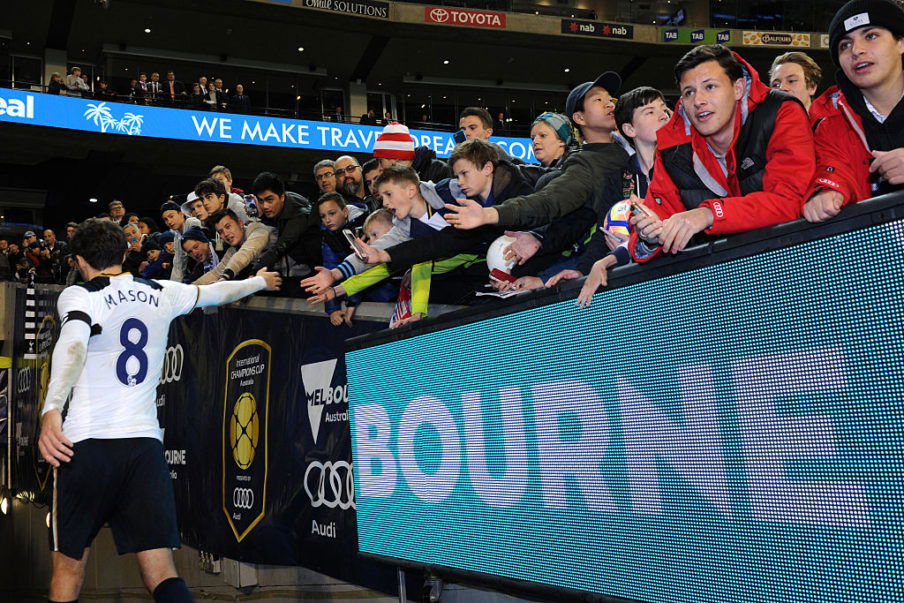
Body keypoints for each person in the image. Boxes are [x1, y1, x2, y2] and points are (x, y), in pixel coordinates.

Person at [37, 219, 281, 603]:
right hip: (143, 449)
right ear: (125, 253)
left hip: (85, 447)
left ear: (80, 260)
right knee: (162, 573)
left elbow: (73, 344)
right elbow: (217, 293)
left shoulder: (79, 295)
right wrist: (260, 282)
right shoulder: (162, 291)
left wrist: (51, 408)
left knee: (68, 570)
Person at [629, 44, 815, 262]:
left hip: (793, 261)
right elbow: (657, 217)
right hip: (722, 277)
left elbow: (792, 201)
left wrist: (710, 214)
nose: (698, 101)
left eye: (710, 87)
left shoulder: (780, 112)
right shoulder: (672, 143)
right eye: (689, 92)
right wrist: (648, 238)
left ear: (738, 88)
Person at [545, 87, 673, 300]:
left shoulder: (684, 165)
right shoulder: (620, 178)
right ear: (630, 129)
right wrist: (582, 271)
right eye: (650, 111)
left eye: (664, 109)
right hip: (640, 285)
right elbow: (602, 233)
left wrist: (627, 247)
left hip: (682, 270)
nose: (663, 115)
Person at [804, 0, 904, 223]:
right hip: (877, 252)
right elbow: (831, 167)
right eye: (845, 45)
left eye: (870, 36)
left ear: (900, 43)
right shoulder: (827, 118)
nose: (857, 50)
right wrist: (828, 191)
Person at [251, 172, 320, 282]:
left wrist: (253, 273)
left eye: (269, 200)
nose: (265, 206)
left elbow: (279, 248)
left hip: (309, 275)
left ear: (282, 197)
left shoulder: (299, 215)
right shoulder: (282, 204)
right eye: (260, 200)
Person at [315, 192, 368, 326]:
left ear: (345, 212)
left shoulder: (364, 229)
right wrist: (333, 309)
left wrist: (352, 302)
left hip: (376, 296)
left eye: (332, 213)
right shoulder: (328, 238)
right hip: (352, 296)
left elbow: (362, 270)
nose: (327, 220)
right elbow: (329, 271)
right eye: (323, 216)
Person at [194, 210, 273, 284]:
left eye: (228, 227)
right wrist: (190, 288)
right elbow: (215, 273)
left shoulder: (257, 229)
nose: (226, 234)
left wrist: (225, 277)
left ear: (240, 223)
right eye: (220, 232)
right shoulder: (232, 250)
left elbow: (246, 252)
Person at [372, 122, 452, 184]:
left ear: (392, 158)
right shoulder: (397, 177)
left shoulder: (440, 171)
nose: (380, 167)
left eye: (380, 160)